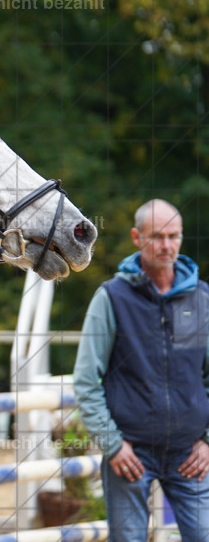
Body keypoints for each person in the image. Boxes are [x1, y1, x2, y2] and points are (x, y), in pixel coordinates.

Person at [74, 199, 209, 541]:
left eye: (174, 236)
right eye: (157, 236)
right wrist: (112, 444)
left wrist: (207, 440)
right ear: (137, 237)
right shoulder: (111, 298)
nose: (167, 245)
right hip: (130, 453)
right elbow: (87, 380)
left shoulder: (201, 298)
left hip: (190, 453)